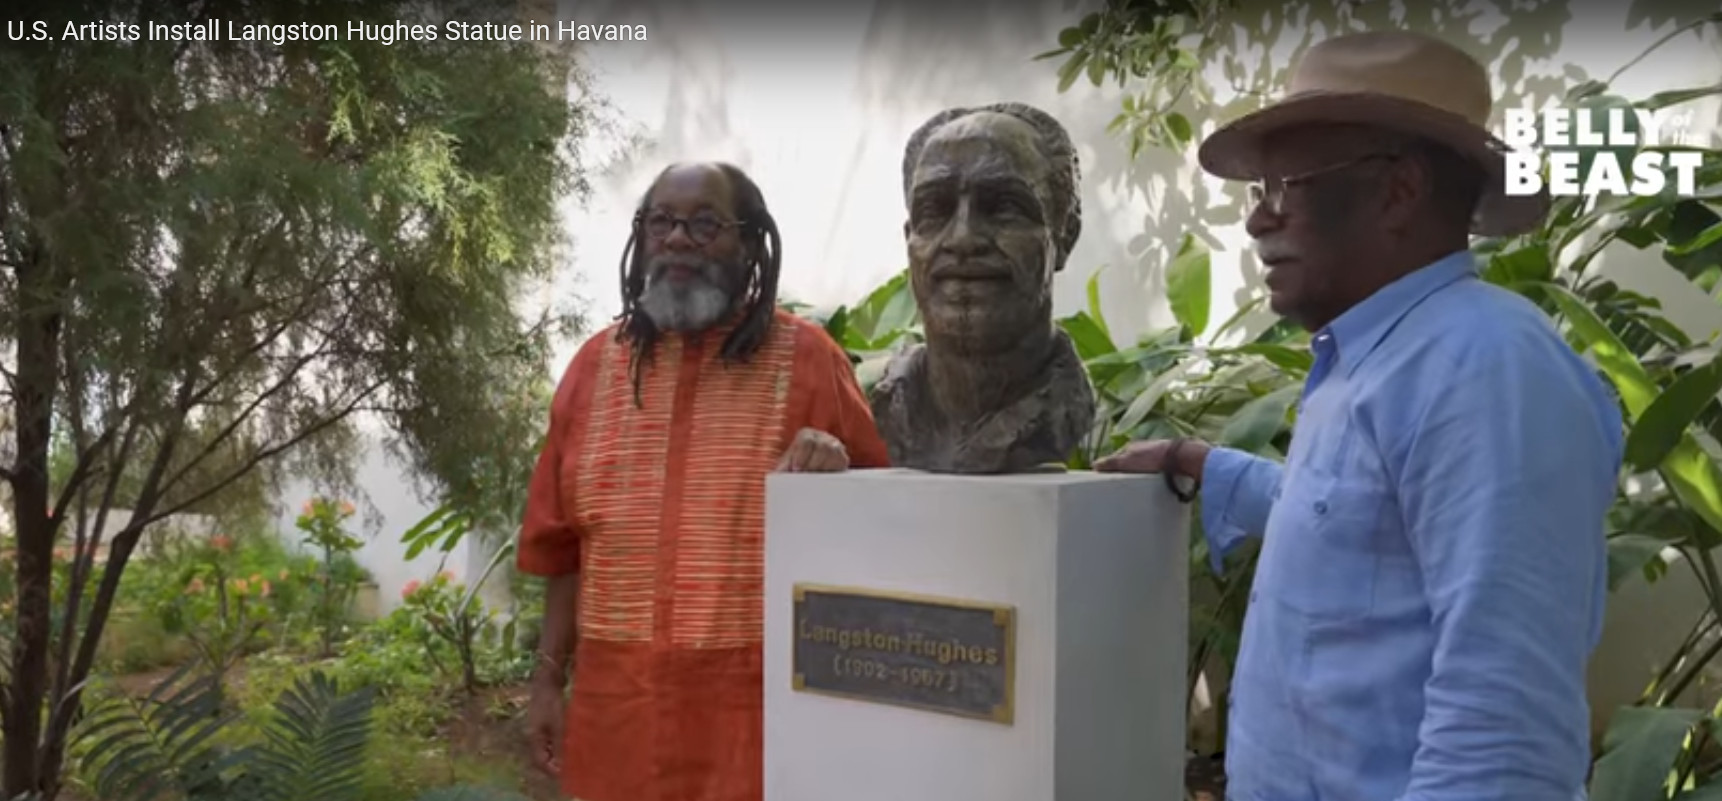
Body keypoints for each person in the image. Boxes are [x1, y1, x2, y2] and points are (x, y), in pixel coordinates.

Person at [1096, 31, 1623, 801]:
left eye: (1287, 184)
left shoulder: (1485, 368)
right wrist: (1202, 462)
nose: (1257, 221)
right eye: (1258, 190)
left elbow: (1501, 727)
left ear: (1398, 190)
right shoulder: (1379, 356)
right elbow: (1352, 530)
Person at [517, 161, 891, 801]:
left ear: (749, 244)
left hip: (756, 721)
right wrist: (548, 685)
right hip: (616, 718)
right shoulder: (591, 369)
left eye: (705, 223)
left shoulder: (809, 360)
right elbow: (563, 552)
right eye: (660, 221)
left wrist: (837, 467)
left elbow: (883, 527)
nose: (678, 238)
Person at [869, 102, 1097, 474]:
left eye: (1003, 207)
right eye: (935, 210)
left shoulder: (1063, 409)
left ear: (1064, 236)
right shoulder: (890, 403)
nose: (962, 238)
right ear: (909, 238)